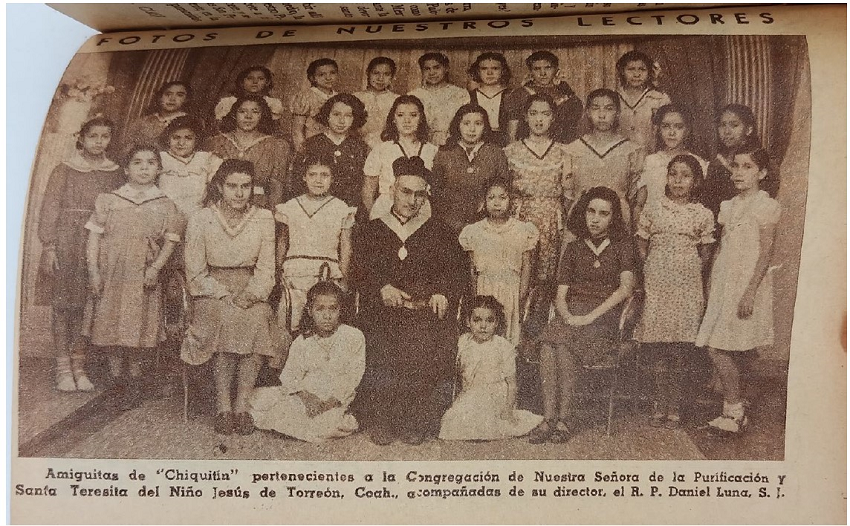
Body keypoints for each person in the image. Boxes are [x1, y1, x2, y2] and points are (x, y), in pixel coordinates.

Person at [353, 156, 466, 446]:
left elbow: (455, 271)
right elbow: (359, 270)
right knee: (380, 346)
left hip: (422, 311)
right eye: (405, 192)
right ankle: (382, 419)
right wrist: (381, 287)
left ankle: (415, 421)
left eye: (419, 194)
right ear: (392, 190)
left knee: (425, 347)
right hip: (384, 312)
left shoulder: (439, 232)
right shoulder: (372, 230)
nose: (412, 200)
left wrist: (442, 292)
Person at [180, 160, 288, 435]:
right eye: (232, 186)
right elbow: (195, 270)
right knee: (225, 318)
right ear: (219, 187)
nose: (239, 193)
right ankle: (223, 408)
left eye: (245, 186)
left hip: (250, 287)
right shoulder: (201, 218)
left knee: (257, 318)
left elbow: (266, 268)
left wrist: (253, 294)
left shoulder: (264, 218)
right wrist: (222, 293)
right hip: (210, 290)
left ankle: (242, 407)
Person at [529, 187, 635, 443]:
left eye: (603, 214)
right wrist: (567, 316)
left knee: (564, 346)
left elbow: (626, 289)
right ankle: (548, 418)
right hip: (572, 315)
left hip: (603, 318)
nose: (595, 219)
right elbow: (561, 294)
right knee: (547, 346)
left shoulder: (622, 247)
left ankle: (564, 420)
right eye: (591, 211)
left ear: (613, 218)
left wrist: (590, 317)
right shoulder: (574, 248)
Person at [84, 145, 184, 409]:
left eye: (150, 163)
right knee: (111, 323)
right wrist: (94, 271)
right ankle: (116, 379)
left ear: (159, 169)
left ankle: (134, 379)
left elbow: (170, 242)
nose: (144, 168)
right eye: (137, 163)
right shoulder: (110, 200)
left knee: (138, 324)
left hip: (142, 274)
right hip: (112, 273)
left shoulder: (165, 204)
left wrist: (155, 268)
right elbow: (94, 237)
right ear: (126, 169)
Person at [696, 147, 780, 435]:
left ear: (762, 173)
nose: (738, 172)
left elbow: (766, 253)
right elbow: (722, 248)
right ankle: (737, 406)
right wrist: (711, 285)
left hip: (746, 285)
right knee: (730, 346)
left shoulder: (765, 206)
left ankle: (734, 411)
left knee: (719, 347)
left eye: (747, 167)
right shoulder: (729, 206)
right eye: (735, 166)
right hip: (724, 283)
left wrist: (750, 292)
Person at [37, 117, 124, 391]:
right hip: (68, 242)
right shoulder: (64, 169)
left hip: (99, 243)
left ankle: (79, 365)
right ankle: (63, 368)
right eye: (93, 136)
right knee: (64, 305)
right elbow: (50, 208)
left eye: (105, 136)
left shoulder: (115, 172)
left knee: (89, 307)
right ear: (82, 138)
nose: (99, 142)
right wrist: (49, 246)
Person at [635, 155, 715, 428]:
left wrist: (690, 269)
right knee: (658, 346)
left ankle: (675, 405)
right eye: (673, 174)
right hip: (658, 282)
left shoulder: (702, 213)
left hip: (686, 285)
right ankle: (659, 402)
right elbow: (642, 242)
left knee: (680, 347)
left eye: (686, 175)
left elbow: (706, 252)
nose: (678, 181)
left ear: (696, 181)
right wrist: (650, 266)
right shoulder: (654, 208)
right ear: (666, 178)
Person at [250, 281, 365, 442]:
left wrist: (331, 401)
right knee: (270, 402)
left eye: (333, 309)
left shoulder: (353, 336)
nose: (327, 316)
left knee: (328, 423)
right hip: (307, 393)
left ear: (340, 309)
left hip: (337, 397)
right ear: (310, 311)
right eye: (320, 309)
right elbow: (291, 375)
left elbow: (354, 375)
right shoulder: (303, 341)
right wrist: (307, 398)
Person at [439, 295, 543, 441]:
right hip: (470, 393)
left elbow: (512, 384)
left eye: (489, 320)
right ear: (468, 322)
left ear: (496, 323)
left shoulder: (502, 346)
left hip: (496, 396)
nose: (483, 326)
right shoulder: (463, 342)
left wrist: (508, 410)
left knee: (487, 418)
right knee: (456, 419)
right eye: (477, 320)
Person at [276, 154, 356, 332]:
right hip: (295, 276)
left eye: (324, 175)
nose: (318, 180)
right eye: (312, 174)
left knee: (323, 325)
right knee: (289, 323)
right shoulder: (290, 206)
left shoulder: (341, 208)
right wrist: (279, 271)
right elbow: (282, 242)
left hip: (326, 275)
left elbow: (346, 247)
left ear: (332, 178)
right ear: (304, 177)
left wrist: (343, 279)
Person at [459, 178, 539, 345]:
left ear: (511, 200)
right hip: (485, 289)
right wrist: (477, 299)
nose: (497, 203)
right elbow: (472, 269)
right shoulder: (474, 231)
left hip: (511, 292)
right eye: (491, 198)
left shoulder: (522, 230)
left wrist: (520, 297)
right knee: (484, 335)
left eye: (502, 198)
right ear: (484, 201)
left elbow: (526, 266)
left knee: (507, 339)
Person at [503, 94, 570, 286]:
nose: (539, 120)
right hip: (520, 218)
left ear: (553, 117)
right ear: (525, 117)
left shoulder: (564, 151)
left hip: (552, 221)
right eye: (533, 113)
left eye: (545, 114)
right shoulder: (510, 151)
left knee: (547, 278)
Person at [563, 88, 645, 229]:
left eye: (609, 108)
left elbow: (634, 196)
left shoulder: (631, 150)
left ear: (617, 113)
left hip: (617, 221)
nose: (602, 115)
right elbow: (568, 196)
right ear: (587, 112)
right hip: (581, 220)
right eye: (596, 108)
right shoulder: (573, 149)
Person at [431, 103, 510, 234]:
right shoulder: (444, 153)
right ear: (458, 125)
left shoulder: (496, 153)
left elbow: (504, 188)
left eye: (478, 124)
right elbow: (436, 191)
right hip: (450, 224)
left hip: (486, 224)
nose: (472, 129)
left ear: (485, 126)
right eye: (466, 123)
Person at [207, 95, 291, 210]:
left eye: (255, 112)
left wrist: (272, 215)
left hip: (258, 207)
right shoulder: (216, 142)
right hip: (220, 206)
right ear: (234, 114)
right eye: (242, 111)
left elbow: (276, 187)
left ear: (262, 115)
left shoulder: (275, 145)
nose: (248, 116)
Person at [361, 94, 438, 220]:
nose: (407, 120)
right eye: (400, 115)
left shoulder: (432, 150)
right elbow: (368, 192)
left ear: (421, 119)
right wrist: (376, 218)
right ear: (393, 119)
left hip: (420, 209)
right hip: (386, 208)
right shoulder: (381, 149)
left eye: (413, 115)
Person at [288, 93, 368, 207]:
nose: (341, 121)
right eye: (336, 114)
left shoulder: (360, 148)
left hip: (350, 207)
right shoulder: (311, 144)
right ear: (327, 115)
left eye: (348, 116)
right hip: (315, 207)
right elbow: (297, 182)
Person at [699, 104, 778, 220]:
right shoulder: (716, 163)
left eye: (734, 125)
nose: (727, 131)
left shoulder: (762, 162)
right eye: (722, 125)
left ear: (749, 129)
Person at [633, 104, 708, 221]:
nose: (671, 133)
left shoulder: (699, 163)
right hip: (653, 224)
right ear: (659, 129)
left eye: (678, 127)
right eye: (666, 126)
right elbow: (640, 204)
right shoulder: (651, 161)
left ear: (687, 130)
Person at [505, 50, 583, 144]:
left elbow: (576, 127)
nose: (543, 73)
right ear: (531, 71)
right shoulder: (520, 94)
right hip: (529, 145)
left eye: (548, 68)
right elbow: (513, 127)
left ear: (556, 69)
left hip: (562, 146)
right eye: (537, 69)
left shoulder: (566, 93)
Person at [157, 115, 223, 218]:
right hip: (164, 215)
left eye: (188, 138)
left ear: (196, 140)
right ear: (168, 138)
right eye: (176, 138)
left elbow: (217, 190)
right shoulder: (160, 158)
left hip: (196, 217)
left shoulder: (207, 159)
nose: (181, 143)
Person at [408, 52, 470, 146]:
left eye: (436, 68)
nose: (432, 73)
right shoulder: (413, 95)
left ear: (446, 68)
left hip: (452, 144)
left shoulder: (460, 94)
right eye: (427, 69)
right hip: (420, 144)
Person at [615, 50, 672, 151]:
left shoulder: (660, 99)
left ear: (649, 72)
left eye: (642, 69)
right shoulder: (614, 98)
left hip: (649, 155)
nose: (636, 74)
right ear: (622, 72)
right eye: (631, 69)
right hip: (619, 155)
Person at [124, 81, 192, 150]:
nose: (172, 99)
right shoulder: (143, 122)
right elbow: (127, 147)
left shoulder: (190, 122)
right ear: (160, 97)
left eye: (179, 95)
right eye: (168, 94)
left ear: (186, 99)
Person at [291, 58, 339, 152]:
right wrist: (302, 152)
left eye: (332, 73)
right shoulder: (306, 96)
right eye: (322, 75)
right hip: (312, 145)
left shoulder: (339, 97)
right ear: (312, 78)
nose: (328, 78)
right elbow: (297, 130)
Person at [354, 57, 400, 150]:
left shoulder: (397, 100)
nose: (380, 78)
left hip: (388, 148)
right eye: (376, 73)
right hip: (358, 147)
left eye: (386, 74)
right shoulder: (356, 97)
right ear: (368, 73)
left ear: (392, 76)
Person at [467, 52, 513, 147]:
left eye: (495, 68)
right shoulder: (469, 95)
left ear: (503, 71)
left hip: (503, 143)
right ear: (477, 71)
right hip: (476, 142)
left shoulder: (510, 95)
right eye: (484, 69)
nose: (489, 73)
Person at [214, 66, 284, 123]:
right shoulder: (228, 102)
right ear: (242, 82)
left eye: (260, 79)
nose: (255, 82)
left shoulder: (272, 103)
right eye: (250, 78)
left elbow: (274, 128)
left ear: (267, 82)